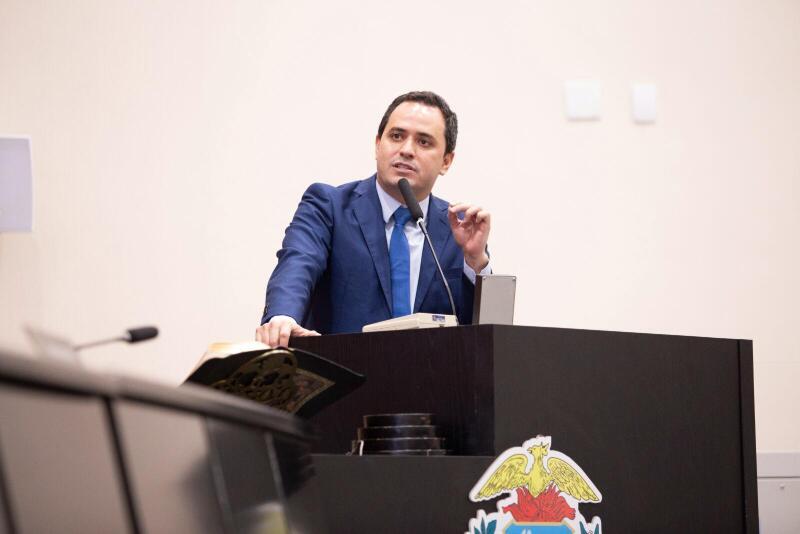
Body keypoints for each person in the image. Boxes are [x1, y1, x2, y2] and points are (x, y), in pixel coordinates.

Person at [256, 91, 491, 347]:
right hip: (345, 369)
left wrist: (476, 263)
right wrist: (283, 316)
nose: (406, 150)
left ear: (446, 161)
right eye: (396, 136)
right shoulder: (329, 206)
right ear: (378, 144)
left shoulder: (459, 228)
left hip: (430, 372)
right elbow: (298, 263)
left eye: (424, 142)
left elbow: (485, 336)